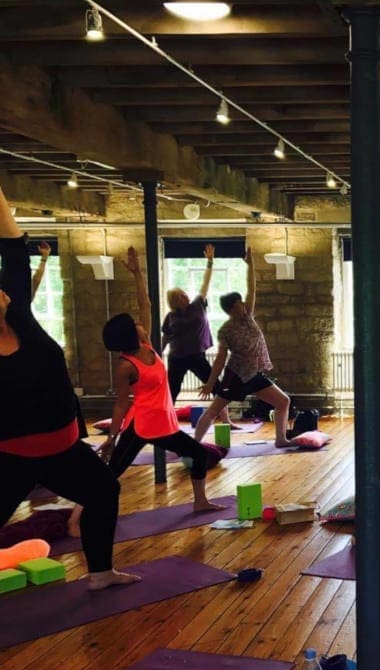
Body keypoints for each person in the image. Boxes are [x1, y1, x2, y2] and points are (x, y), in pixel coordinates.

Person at [0, 186, 138, 590]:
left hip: (64, 450)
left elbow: (13, 251)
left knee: (104, 492)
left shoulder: (21, 319)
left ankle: (100, 573)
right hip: (13, 460)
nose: (3, 291)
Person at [98, 247, 225, 514]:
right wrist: (112, 436)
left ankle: (200, 501)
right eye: (136, 324)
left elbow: (146, 304)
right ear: (131, 336)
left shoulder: (147, 345)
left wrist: (137, 273)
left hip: (163, 423)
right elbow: (121, 405)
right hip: (141, 424)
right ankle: (80, 513)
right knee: (114, 472)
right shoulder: (125, 365)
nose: (141, 322)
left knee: (198, 453)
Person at [193, 248, 294, 447]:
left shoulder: (248, 318)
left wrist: (250, 265)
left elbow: (252, 289)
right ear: (231, 308)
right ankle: (194, 445)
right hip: (236, 376)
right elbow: (221, 359)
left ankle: (281, 439)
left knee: (283, 401)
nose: (243, 304)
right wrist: (211, 383)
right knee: (214, 410)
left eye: (242, 301)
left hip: (254, 374)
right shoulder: (226, 330)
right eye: (239, 303)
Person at [162, 243, 217, 404]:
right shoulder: (171, 316)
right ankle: (167, 422)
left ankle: (226, 420)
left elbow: (205, 283)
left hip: (196, 355)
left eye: (184, 293)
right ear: (174, 301)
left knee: (215, 386)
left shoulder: (198, 304)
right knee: (172, 390)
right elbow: (165, 337)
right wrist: (156, 356)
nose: (185, 295)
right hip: (176, 357)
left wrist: (210, 262)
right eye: (180, 295)